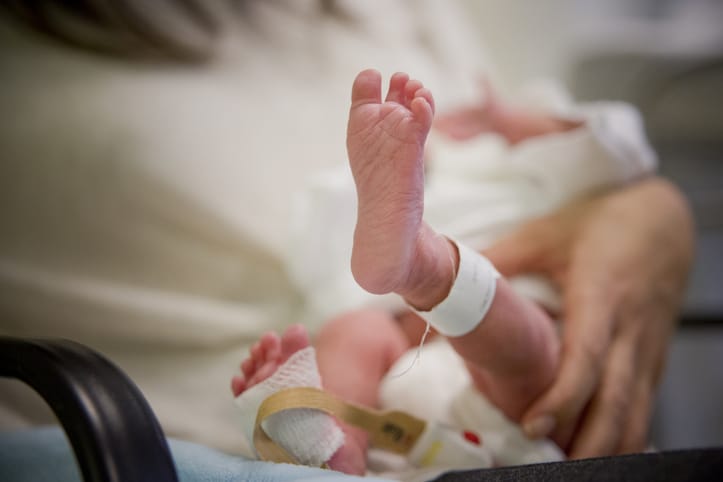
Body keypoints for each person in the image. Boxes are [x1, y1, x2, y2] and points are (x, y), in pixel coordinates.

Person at [0, 0, 693, 476]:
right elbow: (609, 144)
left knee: (471, 344)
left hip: (517, 392)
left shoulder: (510, 125)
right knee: (369, 339)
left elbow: (610, 145)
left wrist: (655, 214)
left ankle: (365, 361)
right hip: (436, 419)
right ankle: (334, 445)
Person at [229, 68, 686, 478]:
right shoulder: (436, 171)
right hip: (406, 390)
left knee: (527, 344)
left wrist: (512, 121)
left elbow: (622, 147)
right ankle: (334, 447)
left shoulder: (526, 164)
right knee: (353, 331)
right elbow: (326, 272)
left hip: (533, 391)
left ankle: (428, 268)